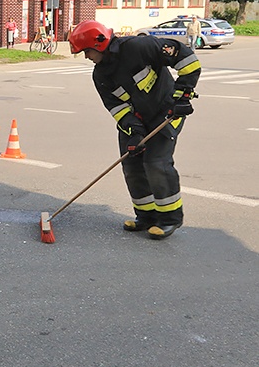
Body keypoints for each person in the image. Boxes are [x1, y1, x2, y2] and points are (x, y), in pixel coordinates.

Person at [69, 20, 201, 240]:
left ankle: (169, 219)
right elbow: (117, 107)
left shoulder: (139, 47)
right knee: (132, 165)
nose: (86, 57)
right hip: (138, 121)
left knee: (156, 162)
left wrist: (183, 95)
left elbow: (186, 59)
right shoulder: (101, 75)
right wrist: (135, 131)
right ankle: (146, 216)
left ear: (99, 44)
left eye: (87, 51)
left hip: (167, 114)